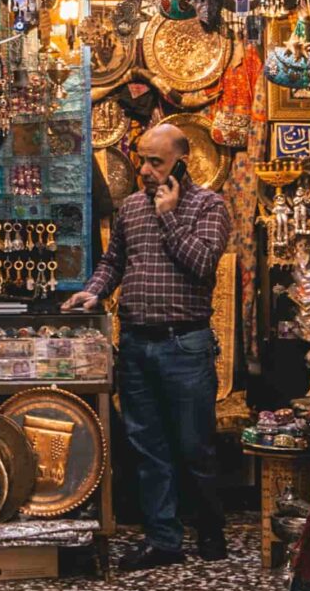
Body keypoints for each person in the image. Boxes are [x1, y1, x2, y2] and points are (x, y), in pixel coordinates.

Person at [65, 120, 235, 568]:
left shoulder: (209, 206)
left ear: (183, 161)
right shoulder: (131, 208)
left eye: (155, 161)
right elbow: (114, 260)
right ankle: (164, 541)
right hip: (137, 344)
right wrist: (95, 289)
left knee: (194, 446)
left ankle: (210, 533)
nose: (144, 169)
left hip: (186, 346)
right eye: (142, 158)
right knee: (147, 447)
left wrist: (170, 216)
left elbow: (202, 264)